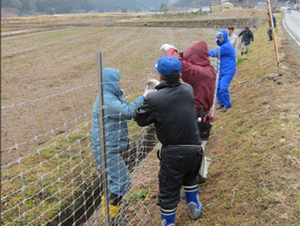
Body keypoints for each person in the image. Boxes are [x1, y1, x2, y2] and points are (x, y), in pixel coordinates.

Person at [134, 56, 203, 226]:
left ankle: (168, 223)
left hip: (173, 153)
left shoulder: (154, 99)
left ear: (160, 76)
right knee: (190, 177)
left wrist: (147, 95)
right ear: (179, 74)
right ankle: (194, 206)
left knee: (168, 190)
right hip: (195, 148)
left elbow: (140, 119)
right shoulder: (188, 89)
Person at [91, 67, 144, 224]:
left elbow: (128, 107)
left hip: (111, 145)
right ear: (111, 82)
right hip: (106, 148)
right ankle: (112, 218)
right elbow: (128, 111)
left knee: (115, 181)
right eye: (118, 79)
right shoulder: (106, 100)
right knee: (122, 182)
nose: (121, 81)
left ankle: (110, 213)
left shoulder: (111, 96)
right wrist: (145, 96)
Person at [160, 41, 216, 141]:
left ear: (195, 56)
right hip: (202, 115)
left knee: (188, 145)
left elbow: (179, 63)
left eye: (189, 55)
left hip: (193, 118)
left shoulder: (197, 72)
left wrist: (170, 49)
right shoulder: (209, 69)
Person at [208, 30, 236, 112]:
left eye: (221, 37)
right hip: (222, 70)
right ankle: (221, 103)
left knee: (223, 88)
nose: (219, 39)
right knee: (217, 88)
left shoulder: (226, 47)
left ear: (225, 37)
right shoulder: (223, 46)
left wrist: (203, 51)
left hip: (228, 70)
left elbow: (214, 53)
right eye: (218, 38)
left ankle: (227, 105)